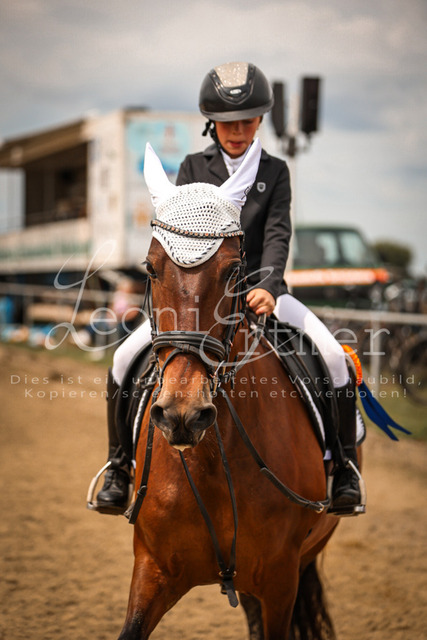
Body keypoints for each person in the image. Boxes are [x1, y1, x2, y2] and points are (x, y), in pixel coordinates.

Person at [91, 61, 362, 516]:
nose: (237, 131)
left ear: (260, 121)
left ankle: (345, 467)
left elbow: (277, 234)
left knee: (335, 357)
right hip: (200, 300)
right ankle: (118, 466)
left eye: (247, 121)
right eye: (227, 122)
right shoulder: (194, 166)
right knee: (122, 358)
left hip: (262, 293)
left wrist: (269, 285)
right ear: (211, 122)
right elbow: (178, 238)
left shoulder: (276, 171)